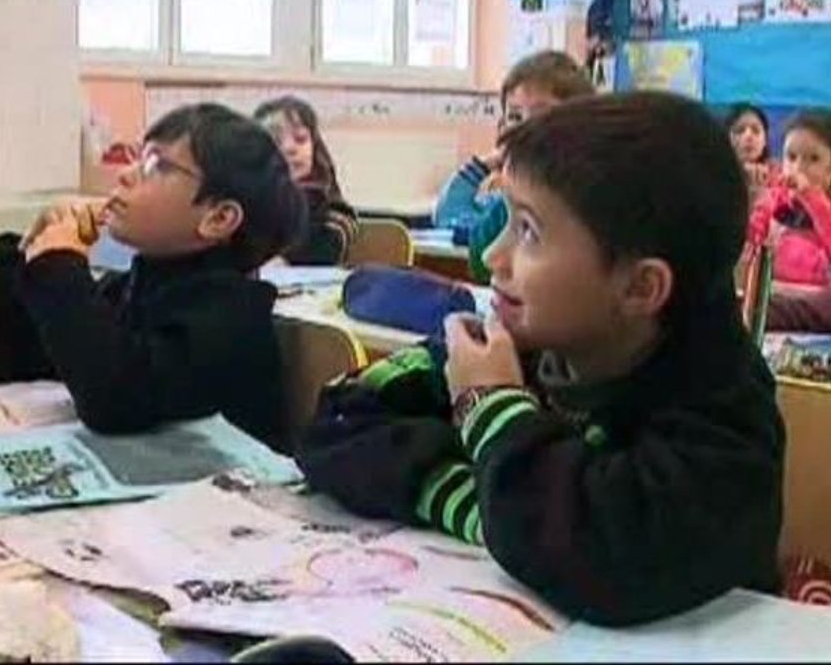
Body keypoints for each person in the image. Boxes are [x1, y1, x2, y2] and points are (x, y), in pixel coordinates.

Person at [298, 92, 784, 626]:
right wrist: (484, 499)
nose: (490, 257)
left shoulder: (725, 412)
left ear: (641, 287)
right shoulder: (516, 341)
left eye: (528, 231)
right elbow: (335, 424)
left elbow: (605, 559)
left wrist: (489, 407)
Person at [0, 104, 306, 452]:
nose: (126, 174)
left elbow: (114, 401)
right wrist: (30, 250)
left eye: (157, 165)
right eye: (139, 157)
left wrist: (61, 267)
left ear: (218, 218)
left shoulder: (232, 315)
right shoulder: (130, 287)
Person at [432, 51, 595, 283]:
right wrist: (486, 165)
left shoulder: (582, 198)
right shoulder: (507, 199)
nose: (523, 129)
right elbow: (452, 220)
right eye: (515, 116)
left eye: (543, 115)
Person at [255, 97, 358, 266]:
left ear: (316, 149)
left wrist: (284, 259)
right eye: (276, 140)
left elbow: (325, 250)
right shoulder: (246, 204)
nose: (290, 148)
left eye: (301, 139)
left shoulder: (334, 210)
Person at [748, 110, 831, 288]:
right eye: (791, 157)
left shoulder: (826, 208)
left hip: (818, 300)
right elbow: (752, 239)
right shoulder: (773, 199)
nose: (799, 167)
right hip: (773, 289)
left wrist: (810, 197)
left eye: (813, 159)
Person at [725, 102, 775, 200]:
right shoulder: (714, 178)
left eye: (756, 130)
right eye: (739, 130)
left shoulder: (780, 179)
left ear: (765, 141)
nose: (748, 136)